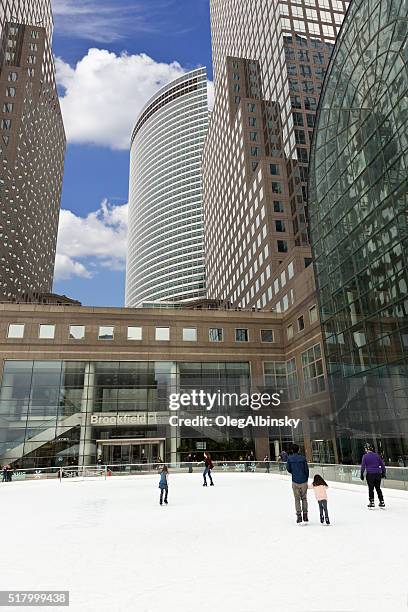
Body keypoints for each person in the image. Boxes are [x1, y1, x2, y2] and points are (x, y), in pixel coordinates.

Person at [286, 444, 309, 523]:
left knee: (297, 499)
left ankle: (299, 516)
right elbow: (306, 470)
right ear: (298, 450)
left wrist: (294, 472)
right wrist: (305, 478)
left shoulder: (290, 458)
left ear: (292, 450)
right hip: (303, 481)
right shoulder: (303, 458)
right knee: (304, 498)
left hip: (295, 481)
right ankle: (305, 515)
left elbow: (288, 469)